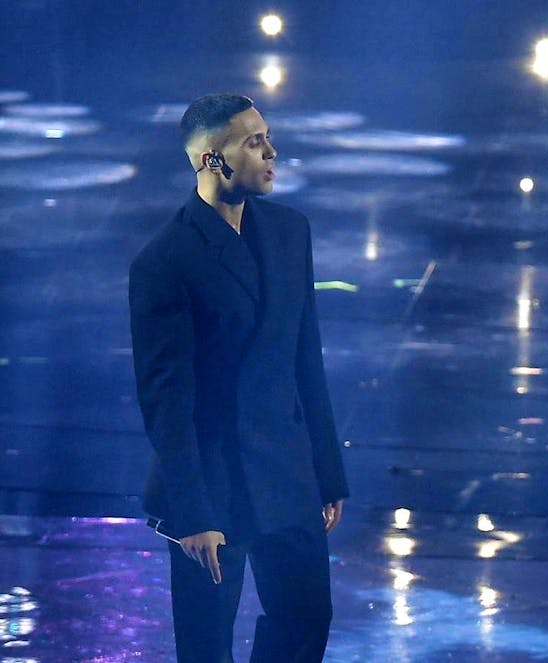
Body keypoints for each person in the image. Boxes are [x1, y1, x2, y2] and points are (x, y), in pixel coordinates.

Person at [129, 93, 349, 662]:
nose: (272, 152)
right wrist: (192, 513)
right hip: (213, 487)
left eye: (267, 137)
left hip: (288, 475)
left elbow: (306, 358)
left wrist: (327, 473)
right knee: (207, 647)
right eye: (254, 142)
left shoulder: (290, 231)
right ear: (212, 160)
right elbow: (166, 402)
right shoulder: (165, 261)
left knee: (305, 621)